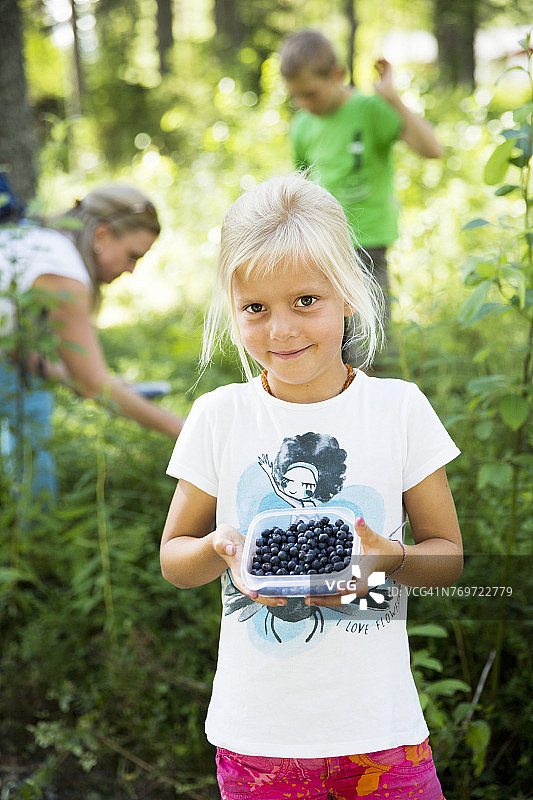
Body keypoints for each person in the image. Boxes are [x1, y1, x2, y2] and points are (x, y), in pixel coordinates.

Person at [160, 174, 462, 800]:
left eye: (306, 301)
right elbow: (173, 558)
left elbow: (448, 558)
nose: (282, 331)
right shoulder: (219, 416)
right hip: (258, 741)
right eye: (255, 308)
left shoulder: (400, 410)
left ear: (348, 293)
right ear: (233, 309)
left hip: (381, 734)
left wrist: (389, 559)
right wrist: (220, 547)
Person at [0, 184, 184, 501]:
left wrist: (94, 379)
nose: (131, 270)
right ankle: (34, 539)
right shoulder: (62, 272)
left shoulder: (39, 245)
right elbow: (94, 388)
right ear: (100, 235)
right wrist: (183, 431)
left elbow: (20, 351)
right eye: (132, 256)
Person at [279, 29, 443, 320]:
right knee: (327, 333)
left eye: (311, 94)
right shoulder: (302, 125)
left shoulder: (368, 110)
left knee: (370, 335)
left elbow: (432, 149)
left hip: (368, 242)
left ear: (337, 75)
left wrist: (392, 99)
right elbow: (300, 184)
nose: (304, 104)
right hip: (322, 243)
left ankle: (380, 368)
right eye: (296, 97)